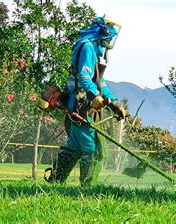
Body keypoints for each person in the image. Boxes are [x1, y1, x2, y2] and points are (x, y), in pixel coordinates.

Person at [46, 17, 128, 186]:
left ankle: (55, 181)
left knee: (75, 144)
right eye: (108, 39)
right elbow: (84, 77)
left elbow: (99, 83)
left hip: (79, 105)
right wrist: (93, 95)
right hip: (81, 105)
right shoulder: (88, 47)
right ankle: (87, 186)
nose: (109, 42)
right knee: (93, 148)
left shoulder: (91, 47)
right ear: (102, 35)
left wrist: (114, 104)